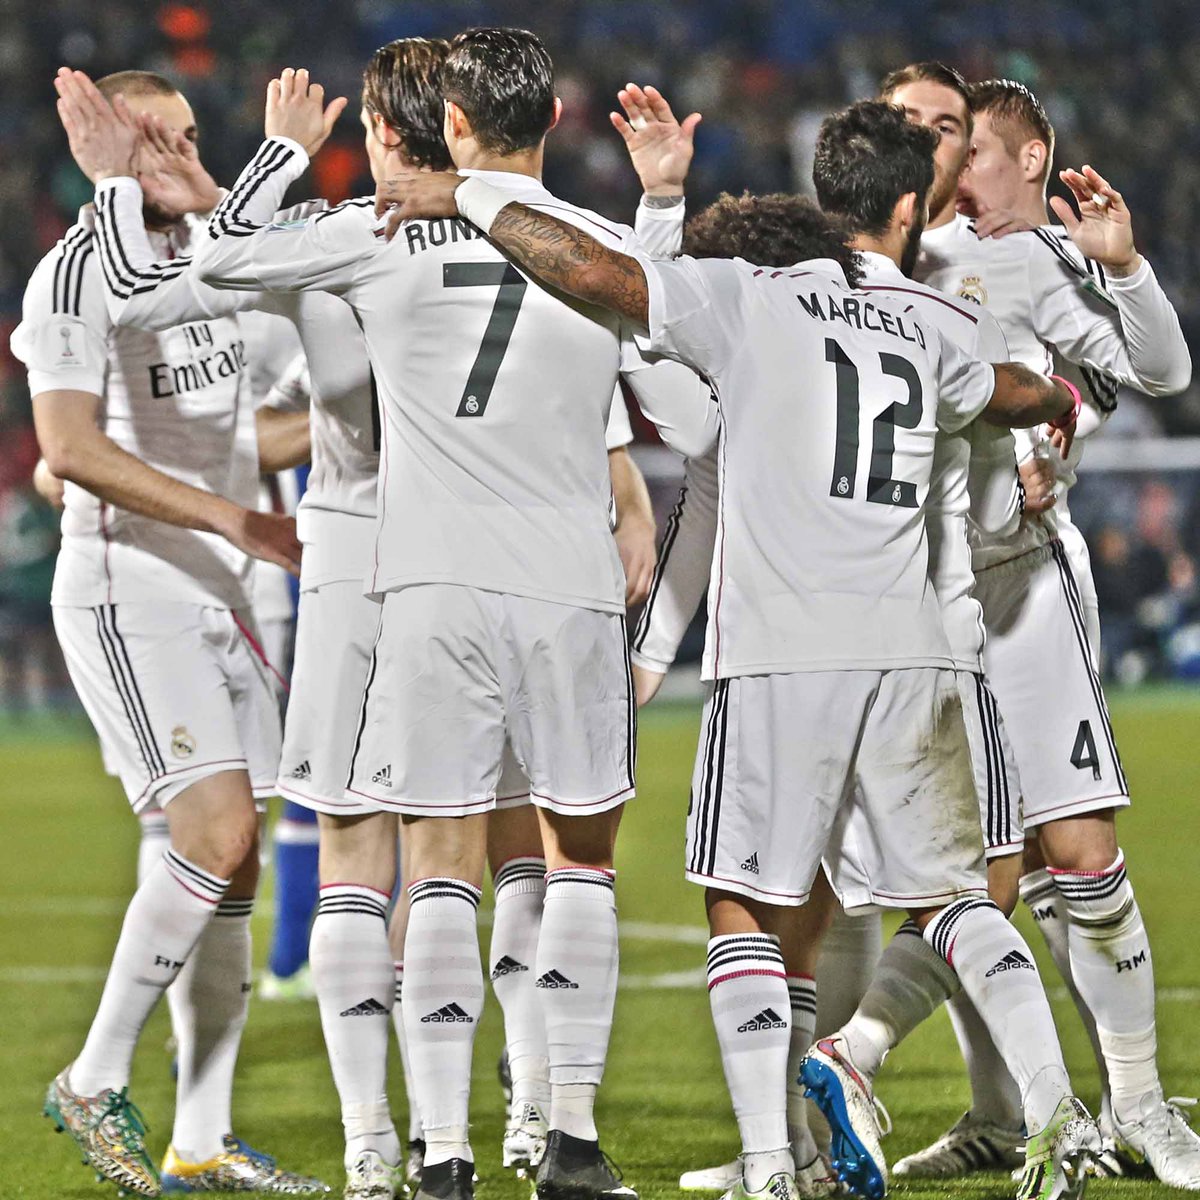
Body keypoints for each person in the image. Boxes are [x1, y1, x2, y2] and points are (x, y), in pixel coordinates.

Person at [375, 111, 1101, 1200]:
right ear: (911, 208)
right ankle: (1057, 1121)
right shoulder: (938, 321)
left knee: (745, 909)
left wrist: (471, 194)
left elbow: (596, 273)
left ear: (822, 195)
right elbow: (1011, 388)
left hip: (779, 656)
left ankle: (770, 1162)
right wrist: (1060, 400)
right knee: (956, 901)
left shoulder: (751, 299)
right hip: (913, 652)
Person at [192, 29, 715, 1200]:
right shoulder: (599, 242)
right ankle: (568, 1140)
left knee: (434, 863)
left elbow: (221, 261)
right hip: (568, 583)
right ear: (554, 121)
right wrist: (661, 209)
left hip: (424, 583)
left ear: (454, 124)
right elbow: (687, 391)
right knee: (576, 860)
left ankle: (439, 1155)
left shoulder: (372, 236)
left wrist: (281, 154)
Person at [886, 68, 1200, 1189]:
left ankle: (1143, 1107)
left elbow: (1161, 370)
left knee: (1078, 850)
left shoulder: (1040, 259)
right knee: (967, 874)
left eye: (967, 143)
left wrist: (1126, 265)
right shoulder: (886, 257)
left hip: (1020, 588)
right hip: (915, 597)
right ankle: (995, 1111)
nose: (950, 161)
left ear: (1027, 160)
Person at [14, 67, 321, 1196]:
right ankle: (95, 1076)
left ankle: (203, 1135)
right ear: (111, 147)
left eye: (195, 137)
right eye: (162, 139)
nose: (186, 156)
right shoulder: (74, 275)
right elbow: (70, 449)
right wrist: (233, 515)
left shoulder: (207, 256)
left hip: (227, 591)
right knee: (215, 829)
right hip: (131, 587)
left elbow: (256, 424)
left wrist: (359, 420)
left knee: (233, 867)